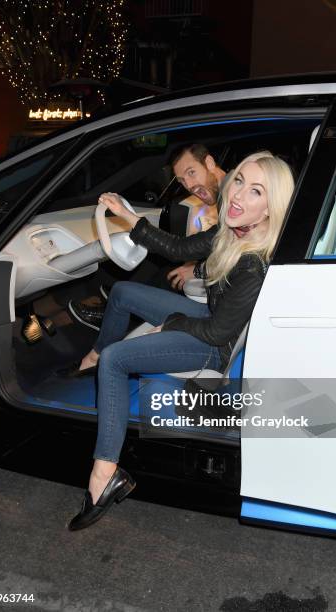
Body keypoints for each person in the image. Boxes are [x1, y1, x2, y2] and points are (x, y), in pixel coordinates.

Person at [67, 151, 294, 531]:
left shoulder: (253, 262)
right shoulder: (233, 229)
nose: (237, 196)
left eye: (256, 191)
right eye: (239, 181)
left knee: (117, 360)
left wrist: (170, 324)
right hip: (207, 319)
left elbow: (218, 334)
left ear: (270, 209)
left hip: (211, 345)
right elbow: (179, 249)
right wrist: (130, 219)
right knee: (122, 292)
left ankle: (104, 476)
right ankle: (90, 356)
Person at [68, 143, 226, 331]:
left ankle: (123, 310)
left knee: (173, 269)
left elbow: (179, 248)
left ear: (209, 162)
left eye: (191, 172)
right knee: (170, 269)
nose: (189, 186)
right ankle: (123, 305)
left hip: (222, 308)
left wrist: (200, 270)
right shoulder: (227, 196)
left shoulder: (236, 201)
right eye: (182, 180)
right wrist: (198, 267)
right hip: (225, 286)